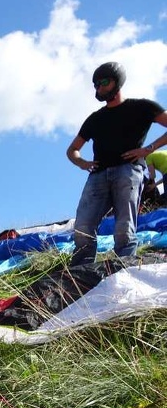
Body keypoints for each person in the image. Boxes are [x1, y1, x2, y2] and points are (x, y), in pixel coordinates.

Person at [66, 61, 167, 266]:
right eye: (95, 85)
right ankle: (81, 272)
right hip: (97, 175)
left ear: (117, 82)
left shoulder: (141, 107)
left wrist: (148, 149)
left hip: (128, 171)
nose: (99, 88)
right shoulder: (95, 118)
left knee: (123, 227)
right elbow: (72, 150)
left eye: (103, 82)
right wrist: (82, 163)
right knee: (83, 225)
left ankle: (124, 268)